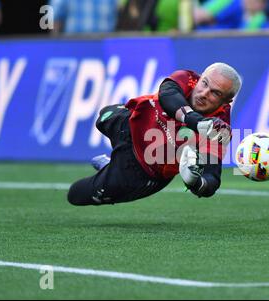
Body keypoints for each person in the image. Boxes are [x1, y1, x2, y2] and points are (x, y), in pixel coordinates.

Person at [67, 63, 242, 206]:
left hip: (140, 171)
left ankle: (111, 168)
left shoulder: (219, 130)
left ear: (227, 101)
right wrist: (197, 122)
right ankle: (112, 163)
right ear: (200, 77)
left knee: (76, 194)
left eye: (215, 93)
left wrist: (195, 183)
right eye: (204, 83)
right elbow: (168, 95)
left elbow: (212, 179)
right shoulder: (187, 78)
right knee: (105, 116)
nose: (204, 93)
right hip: (129, 126)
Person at [49, 0, 124, 34]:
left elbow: (120, 13)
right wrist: (56, 47)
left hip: (104, 46)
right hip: (74, 44)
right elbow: (55, 18)